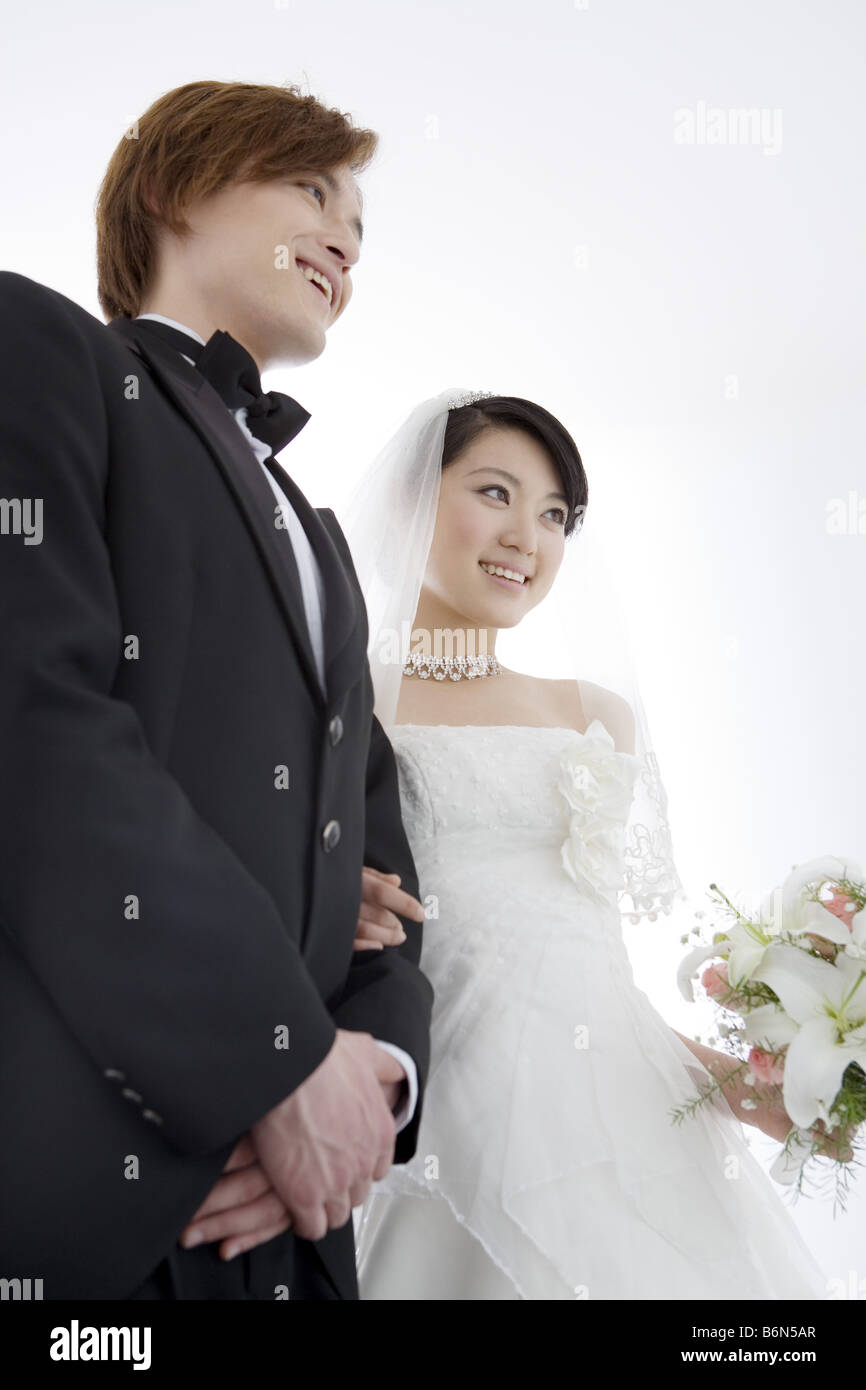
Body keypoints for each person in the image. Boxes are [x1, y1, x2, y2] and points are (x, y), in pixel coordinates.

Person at [0, 79, 433, 1301]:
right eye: (311, 187)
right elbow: (34, 734)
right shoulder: (35, 350)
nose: (345, 235)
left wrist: (377, 1072)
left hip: (299, 1221)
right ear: (171, 189)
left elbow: (392, 880)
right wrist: (273, 1063)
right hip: (81, 1199)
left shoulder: (328, 539)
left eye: (361, 221)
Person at [342, 388, 834, 1299]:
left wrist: (750, 1081)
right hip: (441, 1106)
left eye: (556, 513)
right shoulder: (346, 699)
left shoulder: (596, 716)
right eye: (495, 492)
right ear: (416, 496)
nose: (528, 536)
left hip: (623, 1127)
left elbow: (595, 981)